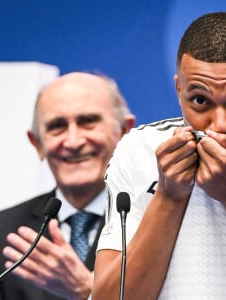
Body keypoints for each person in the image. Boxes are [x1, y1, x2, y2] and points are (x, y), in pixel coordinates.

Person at [0, 72, 135, 299]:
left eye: (88, 122)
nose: (73, 142)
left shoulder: (159, 221)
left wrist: (89, 291)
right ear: (37, 143)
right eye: (57, 126)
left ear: (124, 132)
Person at [92, 11, 226, 300]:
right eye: (200, 101)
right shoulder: (138, 149)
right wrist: (169, 195)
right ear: (179, 89)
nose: (219, 125)